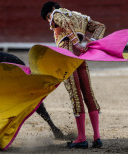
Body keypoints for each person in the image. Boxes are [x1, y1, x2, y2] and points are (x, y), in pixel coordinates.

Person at [41, 1, 106, 148]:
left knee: (75, 95)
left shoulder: (56, 13)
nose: (49, 20)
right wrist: (92, 42)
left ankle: (81, 138)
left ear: (51, 10)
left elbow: (64, 22)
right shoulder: (79, 16)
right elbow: (100, 26)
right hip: (81, 58)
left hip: (67, 57)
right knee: (89, 95)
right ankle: (97, 138)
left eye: (47, 17)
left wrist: (76, 43)